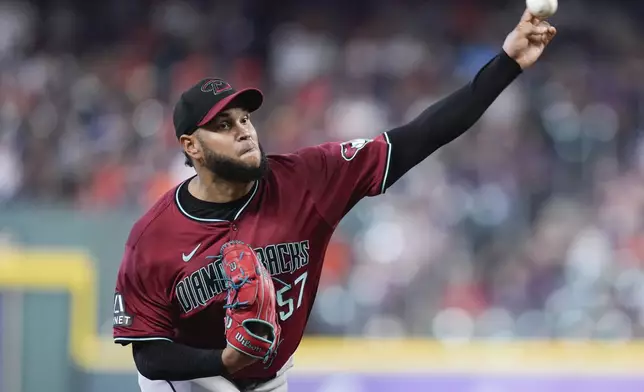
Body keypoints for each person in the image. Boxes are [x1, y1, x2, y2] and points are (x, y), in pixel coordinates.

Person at [112, 9, 557, 392]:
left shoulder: (308, 178)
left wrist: (508, 63)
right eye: (223, 125)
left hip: (269, 376)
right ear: (191, 146)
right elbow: (149, 356)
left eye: (245, 118)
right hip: (191, 382)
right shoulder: (153, 237)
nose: (244, 130)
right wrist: (224, 362)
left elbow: (421, 136)